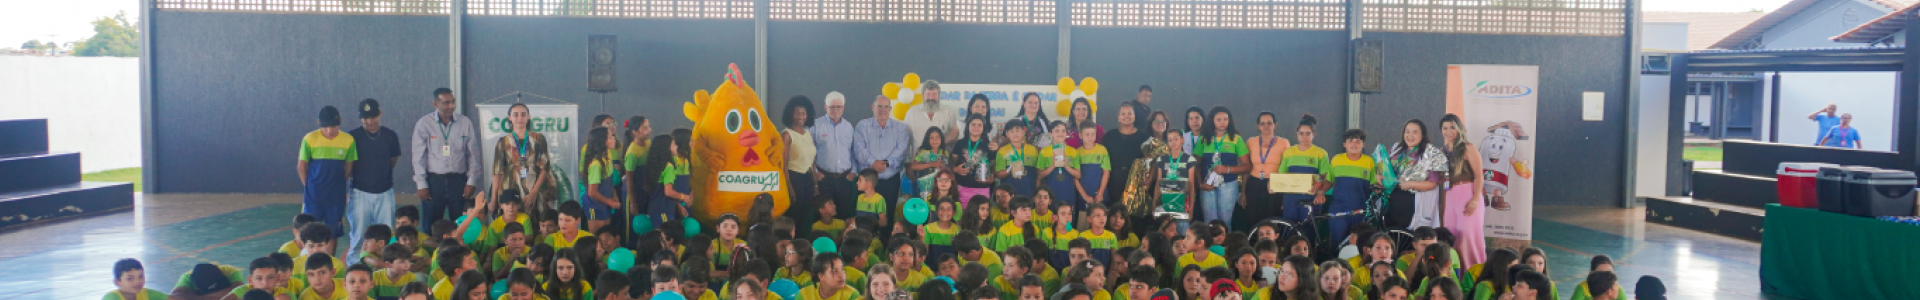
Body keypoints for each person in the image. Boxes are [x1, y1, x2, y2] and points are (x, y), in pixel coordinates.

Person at [413, 88, 483, 233]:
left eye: (453, 102)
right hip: (433, 182)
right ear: (435, 104)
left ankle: (458, 254)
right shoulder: (424, 124)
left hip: (459, 181)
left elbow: (473, 154)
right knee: (431, 225)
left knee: (459, 224)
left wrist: (471, 181)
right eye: (446, 103)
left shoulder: (465, 123)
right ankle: (432, 255)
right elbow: (418, 155)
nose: (451, 106)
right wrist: (421, 183)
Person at [343, 99, 400, 260]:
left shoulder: (390, 136)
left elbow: (392, 160)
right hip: (360, 192)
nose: (370, 121)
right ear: (361, 118)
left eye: (373, 117)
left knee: (387, 234)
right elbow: (348, 164)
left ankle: (386, 268)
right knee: (359, 234)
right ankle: (354, 268)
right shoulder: (352, 137)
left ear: (380, 114)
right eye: (366, 118)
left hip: (385, 192)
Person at [1435, 114, 1486, 267]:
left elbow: (1479, 176)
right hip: (1449, 195)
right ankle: (1456, 273)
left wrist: (1475, 199)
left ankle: (1475, 273)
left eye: (1452, 127)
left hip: (1467, 192)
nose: (1449, 131)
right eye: (1445, 128)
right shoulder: (1441, 151)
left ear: (1459, 129)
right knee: (1452, 235)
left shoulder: (1468, 148)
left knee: (1468, 236)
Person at [300, 105, 358, 238]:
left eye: (333, 126)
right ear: (318, 123)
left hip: (335, 195)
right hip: (314, 196)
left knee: (332, 232)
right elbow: (301, 166)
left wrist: (339, 182)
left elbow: (349, 166)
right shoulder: (309, 139)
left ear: (340, 121)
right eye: (326, 127)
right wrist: (309, 186)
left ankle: (329, 258)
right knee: (310, 232)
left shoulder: (348, 140)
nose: (329, 130)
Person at [856, 95, 913, 217]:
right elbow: (859, 149)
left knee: (887, 215)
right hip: (867, 180)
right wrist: (873, 163)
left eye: (886, 107)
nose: (883, 109)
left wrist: (886, 163)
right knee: (865, 216)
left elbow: (901, 150)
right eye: (879, 106)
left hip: (890, 181)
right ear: (873, 107)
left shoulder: (900, 128)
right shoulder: (862, 126)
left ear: (890, 109)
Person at [1194, 106, 1249, 225]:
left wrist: (1227, 169)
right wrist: (1200, 184)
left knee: (1225, 221)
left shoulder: (1236, 139)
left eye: (1225, 119)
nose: (1222, 122)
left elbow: (1247, 166)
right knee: (1209, 221)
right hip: (1207, 184)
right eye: (1218, 120)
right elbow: (1195, 164)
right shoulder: (1203, 139)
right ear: (1212, 121)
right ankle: (1210, 244)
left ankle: (1225, 244)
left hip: (1228, 184)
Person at [1389, 119, 1446, 230]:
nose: (1410, 135)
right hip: (1393, 202)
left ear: (1422, 135)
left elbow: (1432, 184)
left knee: (1413, 237)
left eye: (1415, 132)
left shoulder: (1430, 153)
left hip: (1415, 202)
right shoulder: (1396, 149)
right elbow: (1385, 170)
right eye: (1407, 131)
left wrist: (1411, 184)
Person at [814, 92, 862, 221]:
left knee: (844, 214)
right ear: (825, 107)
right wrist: (815, 172)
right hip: (824, 179)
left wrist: (854, 171)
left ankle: (842, 241)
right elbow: (810, 151)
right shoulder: (816, 126)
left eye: (839, 107)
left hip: (844, 179)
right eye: (832, 107)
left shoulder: (848, 127)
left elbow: (853, 151)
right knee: (824, 217)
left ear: (843, 108)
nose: (836, 110)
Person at [1243, 112, 1293, 227]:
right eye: (1263, 123)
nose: (1266, 127)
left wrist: (1284, 194)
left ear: (1275, 125)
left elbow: (1286, 169)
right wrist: (1244, 192)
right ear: (1258, 126)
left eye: (1269, 123)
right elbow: (1246, 167)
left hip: (1274, 185)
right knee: (1252, 218)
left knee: (1272, 220)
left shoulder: (1284, 143)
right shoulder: (1251, 142)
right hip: (1254, 184)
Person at [1278, 114, 1329, 224]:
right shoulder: (1288, 152)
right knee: (1290, 229)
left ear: (1313, 134)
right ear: (1297, 134)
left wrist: (1319, 187)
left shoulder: (1321, 153)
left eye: (1308, 133)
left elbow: (1326, 177)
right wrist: (1273, 186)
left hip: (1311, 198)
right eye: (1301, 133)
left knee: (1309, 230)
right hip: (1290, 199)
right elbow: (1282, 176)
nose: (1304, 136)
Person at [1326, 129, 1375, 245]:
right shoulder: (1336, 159)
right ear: (1344, 144)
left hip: (1361, 210)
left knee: (1360, 244)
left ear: (1363, 144)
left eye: (1358, 141)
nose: (1354, 144)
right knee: (1337, 243)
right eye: (1350, 141)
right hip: (1338, 210)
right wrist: (1320, 192)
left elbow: (1374, 185)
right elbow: (1329, 181)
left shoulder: (1369, 162)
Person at [779, 96, 821, 226]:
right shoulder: (786, 135)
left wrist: (815, 184)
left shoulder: (808, 133)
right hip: (794, 178)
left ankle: (802, 244)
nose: (800, 117)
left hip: (807, 178)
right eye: (797, 113)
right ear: (791, 115)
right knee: (794, 215)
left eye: (803, 113)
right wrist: (790, 188)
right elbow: (783, 165)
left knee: (804, 214)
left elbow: (812, 162)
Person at [1102, 102, 1152, 207]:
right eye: (1123, 114)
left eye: (1130, 113)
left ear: (1134, 116)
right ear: (1118, 117)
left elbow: (1153, 161)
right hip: (1113, 183)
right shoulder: (1109, 136)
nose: (1126, 116)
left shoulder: (1144, 138)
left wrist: (1149, 179)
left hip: (1135, 184)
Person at [953, 108, 999, 207]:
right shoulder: (959, 143)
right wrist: (955, 169)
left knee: (981, 217)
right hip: (962, 188)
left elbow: (994, 164)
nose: (976, 127)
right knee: (962, 218)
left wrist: (992, 177)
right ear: (968, 126)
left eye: (979, 125)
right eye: (973, 124)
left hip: (982, 188)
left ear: (984, 128)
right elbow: (952, 162)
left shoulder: (989, 145)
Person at [582, 127, 621, 232]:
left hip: (604, 203)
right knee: (597, 237)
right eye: (610, 137)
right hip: (595, 205)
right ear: (602, 142)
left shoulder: (608, 155)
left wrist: (614, 195)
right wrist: (610, 202)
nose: (614, 139)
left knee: (605, 234)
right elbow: (592, 192)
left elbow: (609, 182)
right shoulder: (596, 164)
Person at [903, 80, 957, 150]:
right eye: (928, 94)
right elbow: (906, 137)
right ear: (923, 95)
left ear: (939, 95)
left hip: (942, 158)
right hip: (917, 158)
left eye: (934, 94)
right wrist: (907, 159)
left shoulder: (948, 112)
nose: (931, 98)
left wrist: (940, 144)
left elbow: (954, 132)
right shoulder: (912, 113)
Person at [1073, 125, 1114, 214]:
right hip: (1083, 196)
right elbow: (1075, 178)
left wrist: (1100, 193)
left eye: (1093, 134)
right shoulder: (1077, 153)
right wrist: (1084, 196)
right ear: (1080, 135)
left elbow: (1106, 172)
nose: (1090, 137)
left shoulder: (1102, 149)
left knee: (1101, 221)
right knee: (1083, 224)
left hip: (1101, 196)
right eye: (1087, 134)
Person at [998, 119, 1043, 196]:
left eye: (1017, 130)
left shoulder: (1033, 150)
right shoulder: (1002, 151)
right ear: (1007, 134)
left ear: (1023, 132)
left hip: (1030, 191)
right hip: (1010, 194)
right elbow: (999, 174)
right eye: (1011, 131)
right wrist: (1010, 170)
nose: (1015, 133)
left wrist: (1038, 190)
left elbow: (1038, 173)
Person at [623, 116, 654, 218]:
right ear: (634, 132)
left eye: (648, 127)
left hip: (647, 189)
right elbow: (629, 180)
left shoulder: (648, 142)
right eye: (645, 128)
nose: (649, 130)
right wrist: (633, 203)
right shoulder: (632, 153)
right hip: (637, 193)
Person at [910, 127, 952, 201]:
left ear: (941, 139)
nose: (934, 140)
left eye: (937, 137)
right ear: (927, 140)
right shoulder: (922, 152)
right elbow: (914, 166)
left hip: (941, 188)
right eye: (931, 137)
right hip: (925, 188)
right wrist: (932, 164)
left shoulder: (945, 153)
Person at [105, 258, 171, 300]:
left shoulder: (146, 294)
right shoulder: (112, 298)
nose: (137, 281)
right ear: (117, 282)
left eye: (140, 276)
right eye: (129, 278)